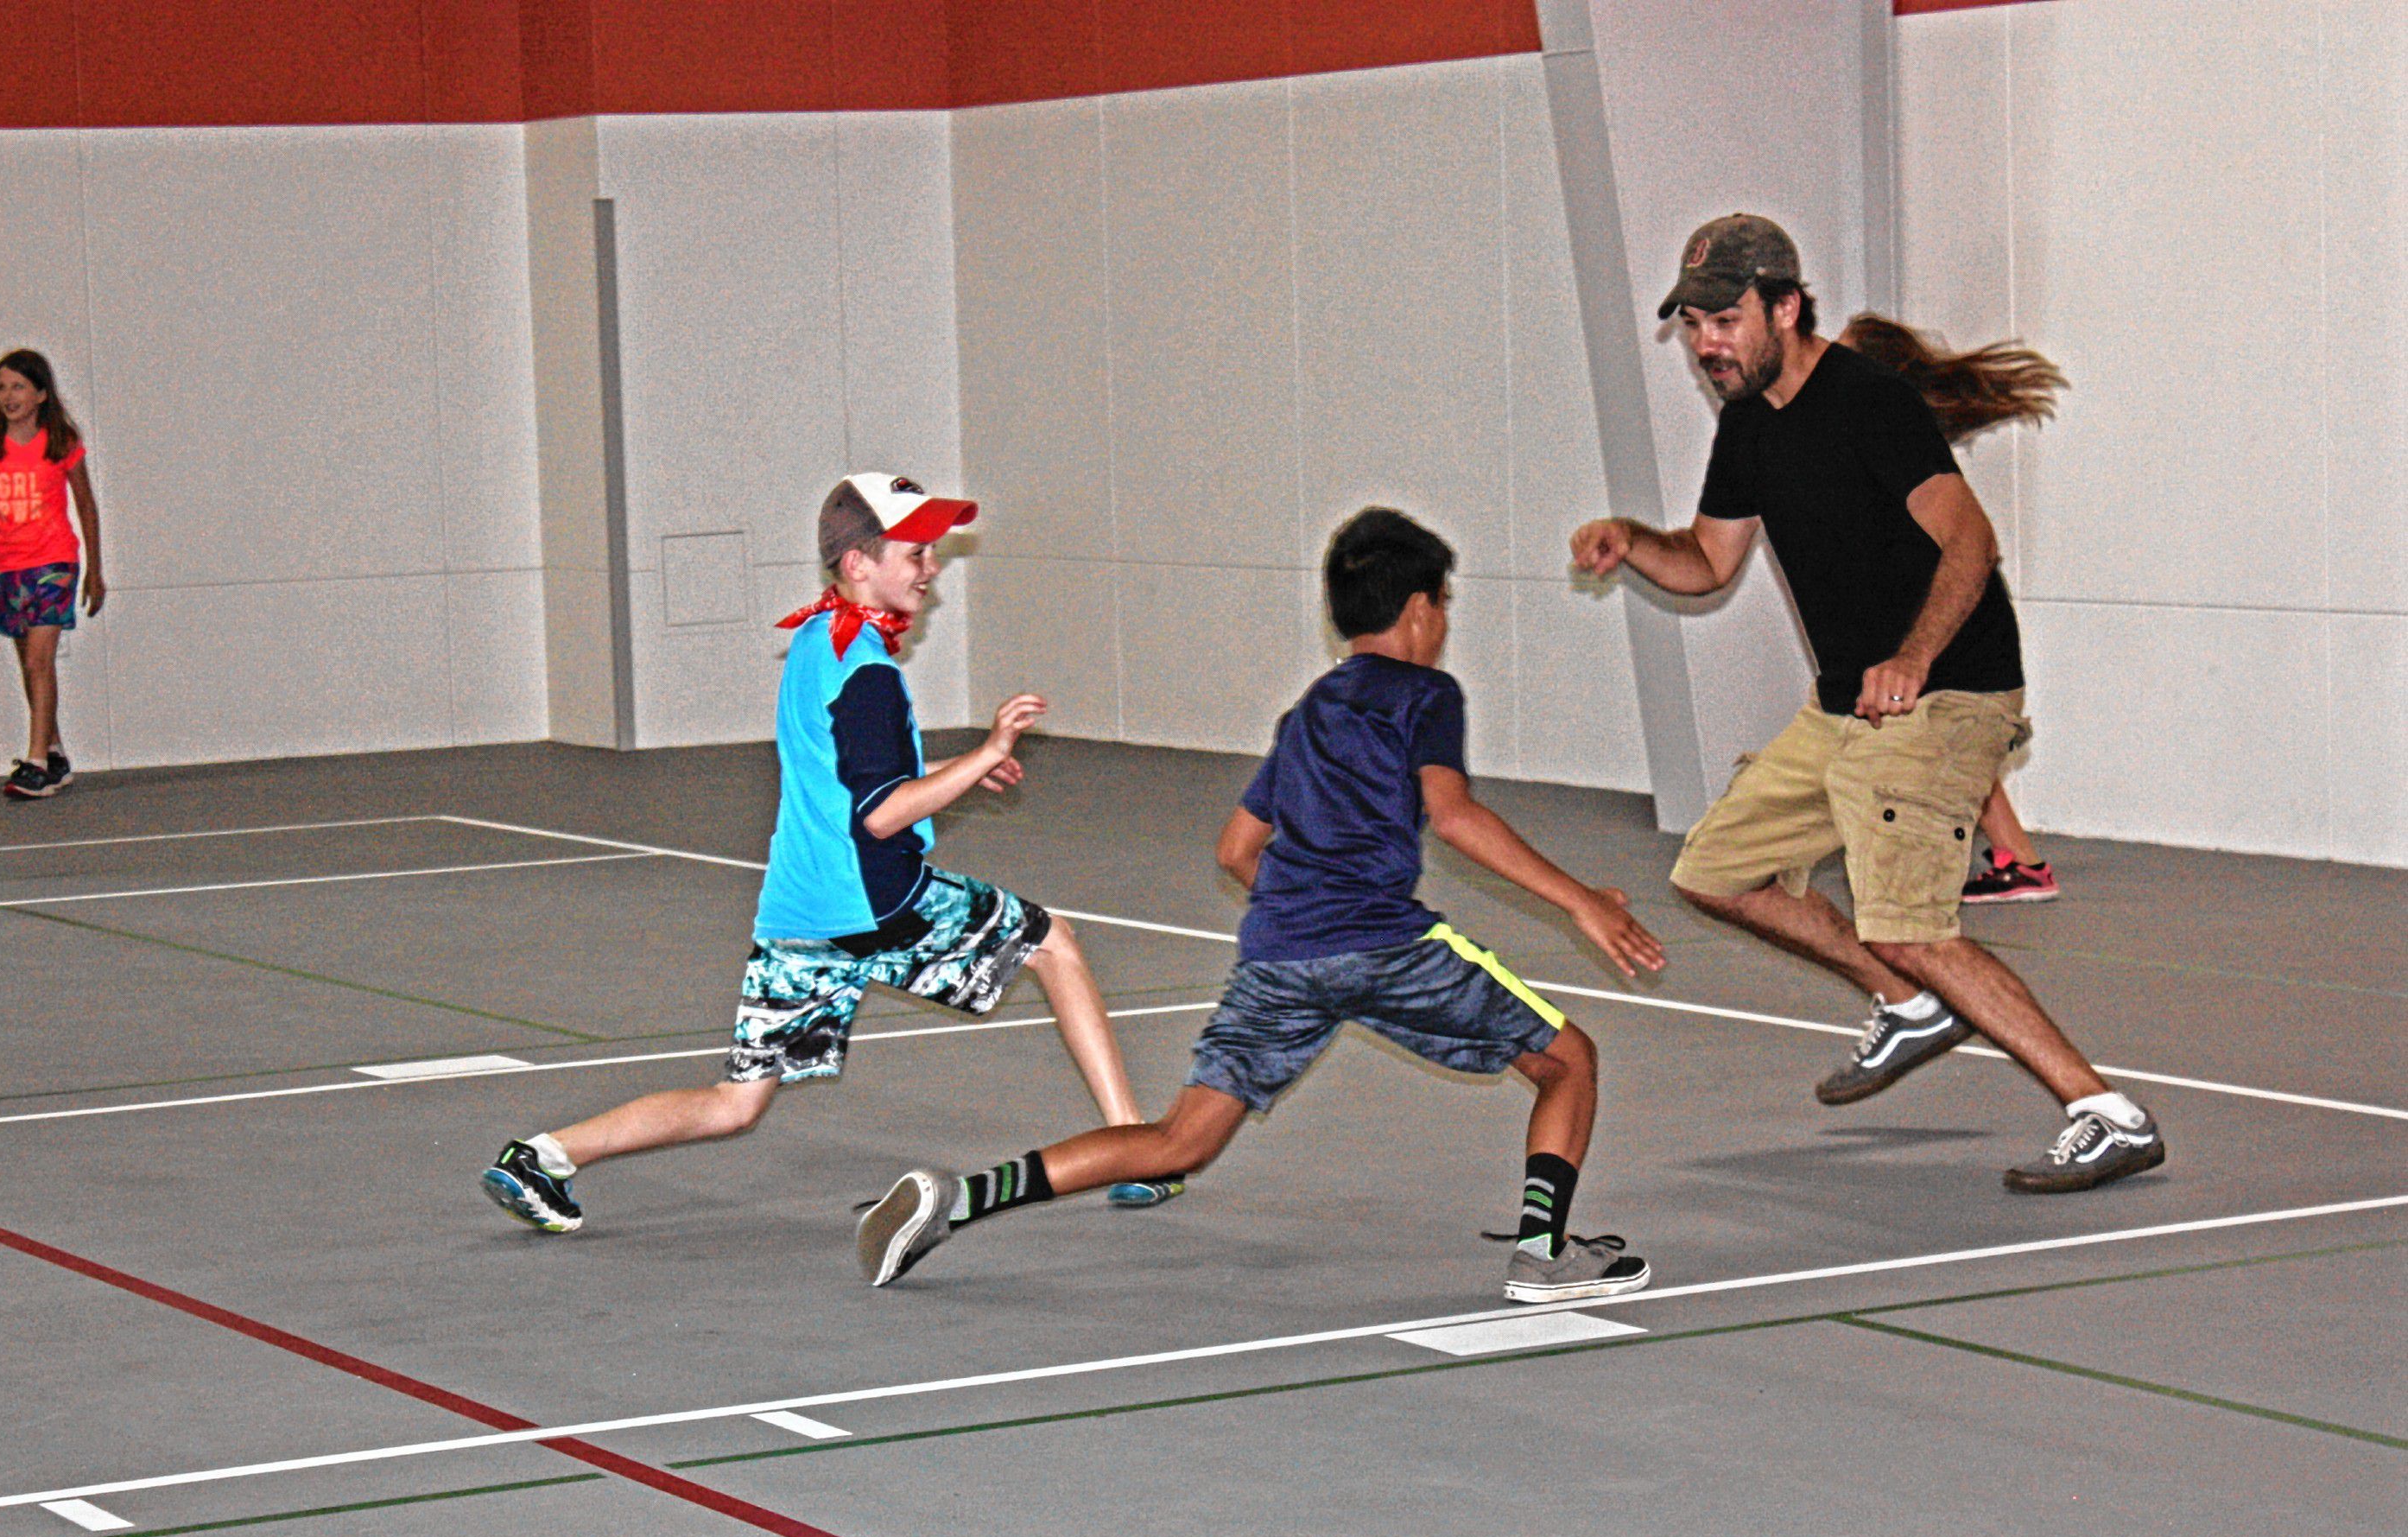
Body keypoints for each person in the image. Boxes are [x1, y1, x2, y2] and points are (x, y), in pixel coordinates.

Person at [856, 507, 1667, 1299]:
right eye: (1445, 604)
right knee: (1568, 1061)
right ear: (1419, 610)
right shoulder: (1427, 695)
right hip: (1387, 945)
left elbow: (1236, 851)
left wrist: (1304, 920)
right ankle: (1541, 1252)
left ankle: (953, 1202)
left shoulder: (1309, 710)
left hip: (1279, 959)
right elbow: (1453, 815)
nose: (1445, 623)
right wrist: (1580, 901)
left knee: (1177, 1142)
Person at [1570, 214, 2160, 1194]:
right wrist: (1632, 539)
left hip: (1950, 693)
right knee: (1717, 870)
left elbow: (1970, 540)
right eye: (1693, 324)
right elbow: (1709, 562)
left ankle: (2105, 1111)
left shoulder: (1869, 403)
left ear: (1785, 307)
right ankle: (1908, 1003)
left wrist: (1914, 659)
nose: (1706, 343)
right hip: (1849, 707)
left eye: (1724, 320)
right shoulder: (1748, 425)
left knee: (1909, 924)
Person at [481, 473, 1140, 1234]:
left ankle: (544, 1156)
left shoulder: (818, 642)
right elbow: (884, 814)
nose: (929, 567)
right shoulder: (867, 673)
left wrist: (956, 772)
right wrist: (985, 748)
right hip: (878, 904)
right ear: (858, 564)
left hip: (800, 911)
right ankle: (1134, 1145)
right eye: (914, 552)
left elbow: (847, 786)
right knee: (1051, 943)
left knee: (736, 1102)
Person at [1838, 313, 2065, 905]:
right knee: (1954, 746)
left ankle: (1997, 863)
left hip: (1954, 629)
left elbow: (1955, 549)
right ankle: (2022, 861)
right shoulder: (1879, 438)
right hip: (1945, 628)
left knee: (1931, 739)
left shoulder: (1894, 445)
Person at [0, 348, 104, 801]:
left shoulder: (60, 440)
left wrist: (95, 570)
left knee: (40, 661)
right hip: (6, 564)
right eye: (1, 386)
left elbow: (87, 505)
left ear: (39, 394)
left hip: (53, 561)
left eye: (18, 386)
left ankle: (35, 762)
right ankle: (54, 753)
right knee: (28, 665)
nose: (8, 395)